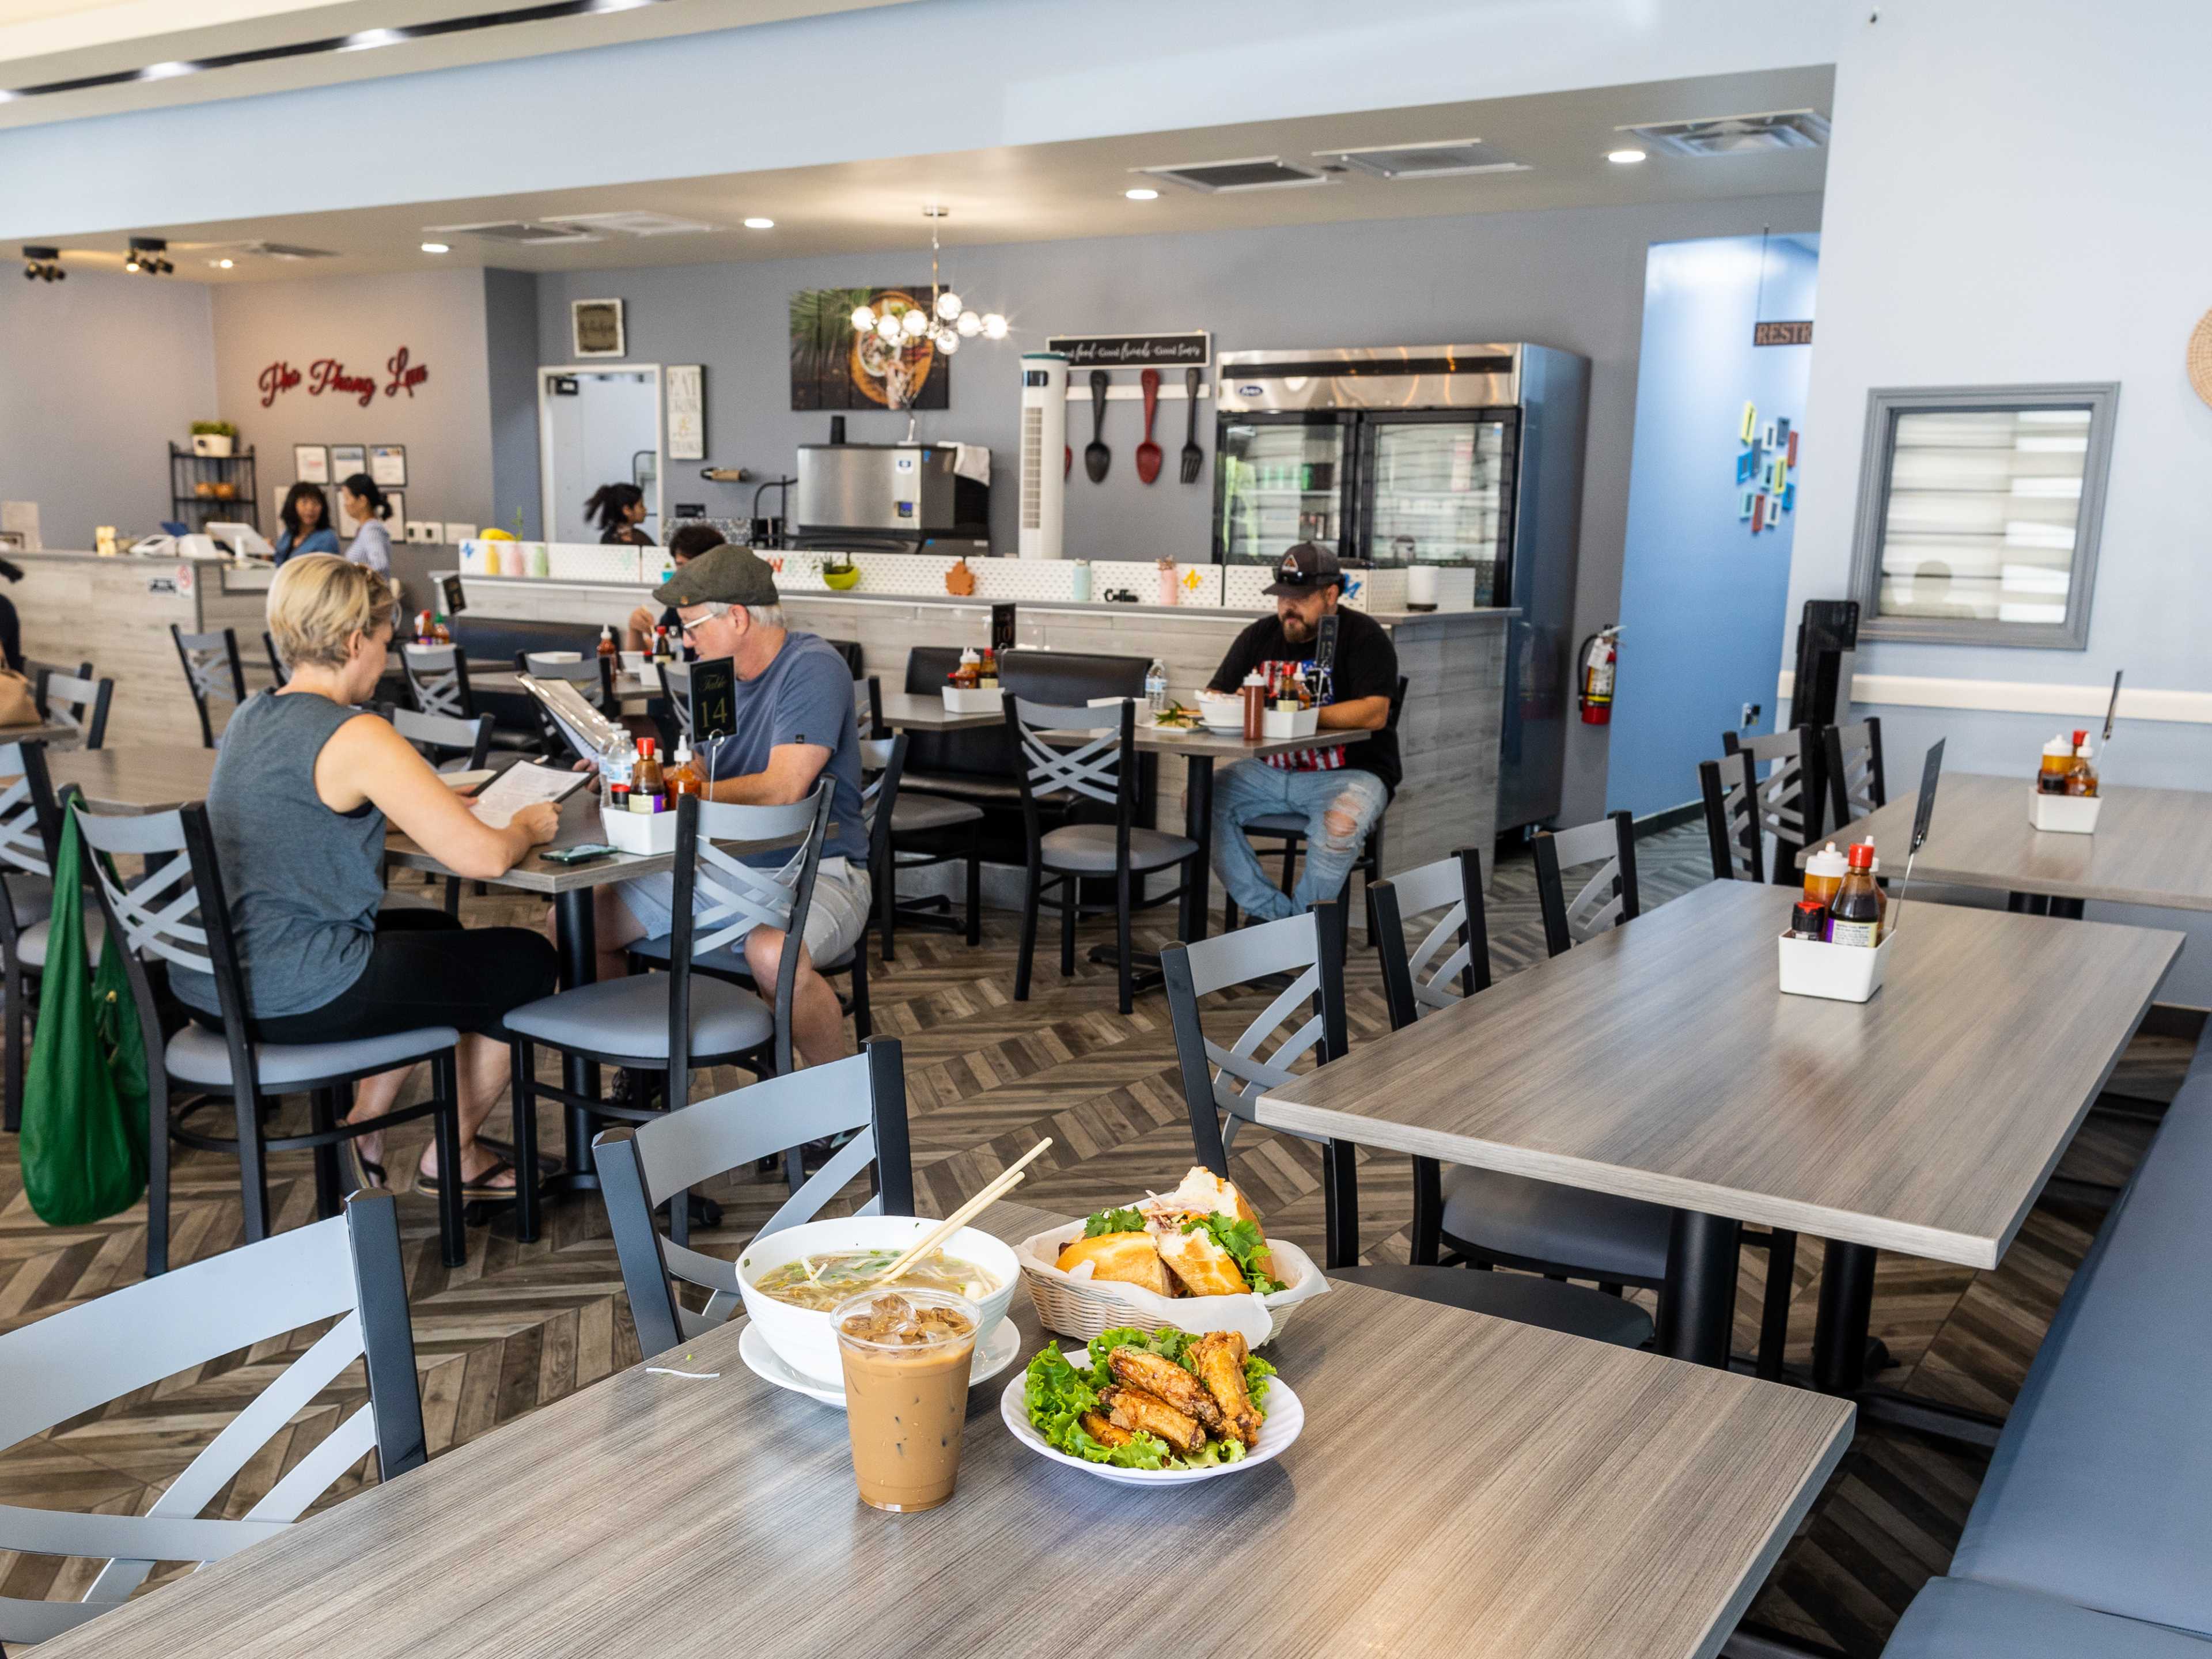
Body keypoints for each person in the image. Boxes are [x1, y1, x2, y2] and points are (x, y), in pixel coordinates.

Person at [168, 554, 562, 1198]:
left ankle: (367, 1124)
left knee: (436, 928)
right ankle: (453, 1156)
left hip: (209, 979)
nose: (387, 656)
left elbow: (307, 817)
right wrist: (524, 828)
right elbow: (486, 860)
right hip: (292, 992)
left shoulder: (251, 716)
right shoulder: (358, 733)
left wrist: (426, 805)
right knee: (526, 958)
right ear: (356, 641)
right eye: (385, 642)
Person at [586, 544, 870, 1070]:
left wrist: (671, 789)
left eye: (692, 626)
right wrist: (636, 774)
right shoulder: (714, 676)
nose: (684, 641)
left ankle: (843, 1107)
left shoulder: (812, 669)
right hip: (717, 866)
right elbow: (703, 768)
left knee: (772, 954)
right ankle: (640, 1072)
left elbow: (784, 786)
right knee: (581, 926)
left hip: (816, 870)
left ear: (737, 617)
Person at [1204, 543, 1398, 923]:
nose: (1287, 608)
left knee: (1340, 825)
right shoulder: (1259, 636)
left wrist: (1296, 712)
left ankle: (1302, 937)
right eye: (1282, 597)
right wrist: (1234, 703)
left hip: (1350, 772)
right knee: (1199, 801)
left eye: (1300, 598)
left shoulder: (1364, 636)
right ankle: (1278, 923)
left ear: (1331, 595)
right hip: (1269, 770)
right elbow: (1217, 693)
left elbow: (1375, 713)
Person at [625, 521, 724, 650]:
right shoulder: (680, 603)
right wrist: (635, 630)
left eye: (692, 566)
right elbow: (656, 648)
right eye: (680, 565)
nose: (683, 573)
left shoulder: (726, 608)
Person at [337, 474, 394, 575]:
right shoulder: (365, 529)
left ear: (362, 501)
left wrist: (358, 581)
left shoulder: (371, 530)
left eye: (347, 498)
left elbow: (380, 565)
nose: (345, 504)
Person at [272, 482, 340, 566]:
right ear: (293, 505)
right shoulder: (289, 533)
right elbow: (278, 562)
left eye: (316, 503)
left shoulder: (327, 539)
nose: (310, 508)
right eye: (304, 502)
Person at [586, 482, 654, 548]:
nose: (645, 509)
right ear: (627, 510)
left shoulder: (606, 537)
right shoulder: (639, 538)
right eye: (641, 506)